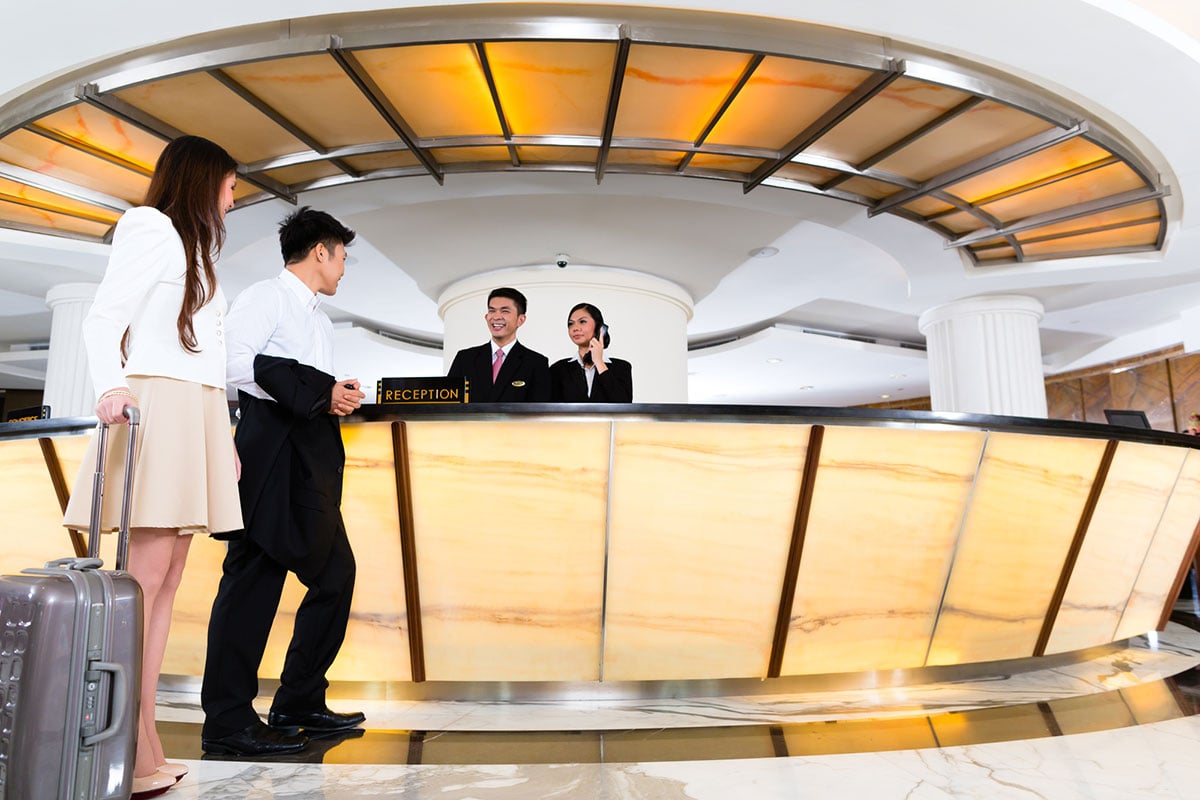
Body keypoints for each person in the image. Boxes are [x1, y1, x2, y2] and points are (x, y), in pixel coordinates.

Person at [61, 135, 242, 798]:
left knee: (165, 584)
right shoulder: (150, 227)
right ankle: (126, 744)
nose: (233, 197)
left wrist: (221, 436)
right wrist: (110, 385)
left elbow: (209, 354)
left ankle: (142, 739)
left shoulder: (198, 252)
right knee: (141, 585)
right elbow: (104, 317)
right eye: (228, 185)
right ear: (201, 180)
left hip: (193, 411)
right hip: (155, 403)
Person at [200, 207, 366, 758]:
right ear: (321, 251)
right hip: (270, 456)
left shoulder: (319, 318)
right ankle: (227, 721)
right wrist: (318, 391)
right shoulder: (264, 298)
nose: (344, 267)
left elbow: (302, 384)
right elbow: (231, 365)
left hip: (310, 459)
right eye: (342, 256)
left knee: (335, 575)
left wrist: (331, 397)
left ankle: (297, 701)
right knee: (253, 582)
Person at [447, 287, 551, 402]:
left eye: (504, 311)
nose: (496, 317)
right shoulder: (465, 358)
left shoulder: (536, 363)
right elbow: (448, 404)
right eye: (492, 311)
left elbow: (539, 412)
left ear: (521, 320)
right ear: (486, 317)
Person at [549, 303, 633, 402]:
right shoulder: (558, 369)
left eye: (582, 321)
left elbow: (624, 404)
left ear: (599, 328)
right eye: (571, 323)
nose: (575, 328)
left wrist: (599, 362)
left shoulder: (622, 367)